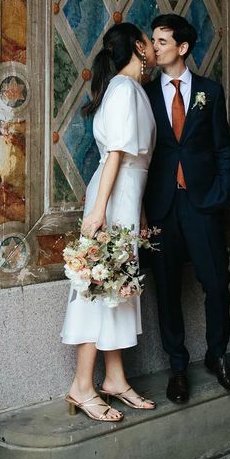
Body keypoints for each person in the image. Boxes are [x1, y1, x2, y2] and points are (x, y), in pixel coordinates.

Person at [61, 22, 157, 422]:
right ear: (138, 46)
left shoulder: (128, 89)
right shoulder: (123, 89)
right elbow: (116, 153)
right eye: (150, 42)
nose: (154, 47)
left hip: (123, 199)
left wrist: (140, 214)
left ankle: (114, 378)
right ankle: (82, 386)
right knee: (98, 286)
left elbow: (134, 164)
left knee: (115, 288)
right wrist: (101, 210)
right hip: (112, 200)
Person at [144, 13, 230, 404]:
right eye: (153, 41)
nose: (154, 48)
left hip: (203, 204)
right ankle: (178, 366)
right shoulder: (146, 94)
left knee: (217, 283)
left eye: (162, 41)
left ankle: (217, 355)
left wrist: (221, 194)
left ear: (182, 48)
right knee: (167, 289)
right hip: (164, 205)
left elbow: (223, 149)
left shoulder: (210, 92)